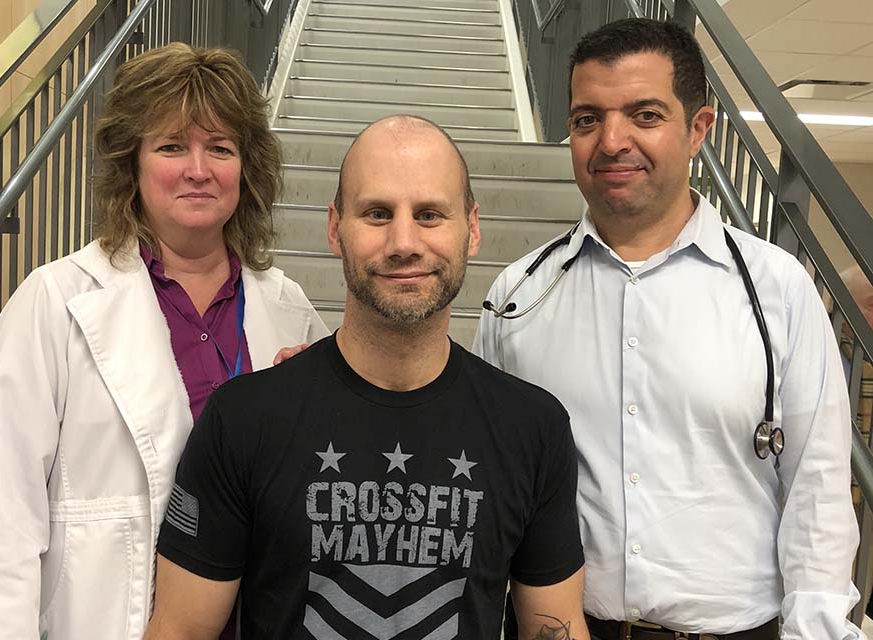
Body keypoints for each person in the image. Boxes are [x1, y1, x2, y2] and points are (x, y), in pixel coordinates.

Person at [474, 18, 863, 640]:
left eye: (645, 115)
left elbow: (817, 489)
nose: (611, 141)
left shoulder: (777, 291)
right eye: (586, 119)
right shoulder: (517, 298)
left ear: (699, 130)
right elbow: (488, 484)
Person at [143, 114, 591, 640]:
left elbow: (553, 626)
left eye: (429, 215)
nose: (403, 242)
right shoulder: (243, 420)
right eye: (377, 213)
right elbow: (181, 629)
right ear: (335, 228)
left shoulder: (532, 428)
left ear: (471, 228)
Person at [0, 43, 329, 639]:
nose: (198, 168)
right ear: (130, 163)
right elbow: (5, 526)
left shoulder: (291, 313)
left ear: (247, 167)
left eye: (220, 147)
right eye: (170, 146)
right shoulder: (53, 304)